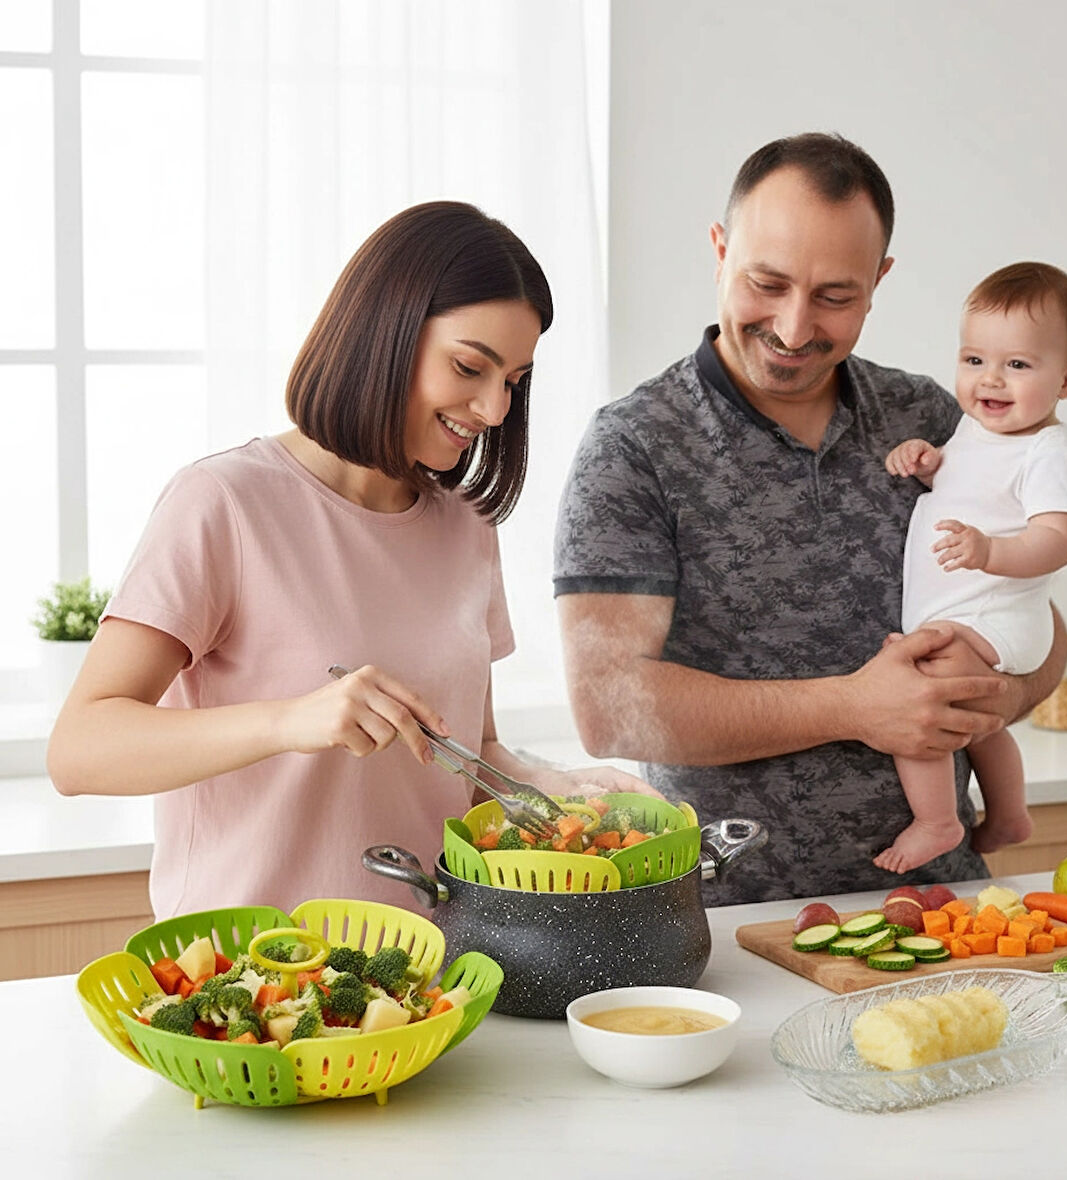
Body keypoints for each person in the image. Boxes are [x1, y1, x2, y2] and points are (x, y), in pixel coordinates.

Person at [48, 201, 650, 919]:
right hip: (256, 980)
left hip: (428, 971)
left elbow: (470, 753)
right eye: (469, 366)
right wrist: (290, 721)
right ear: (386, 332)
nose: (493, 409)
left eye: (514, 381)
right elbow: (79, 749)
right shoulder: (224, 504)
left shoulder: (464, 526)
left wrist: (558, 787)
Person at [553, 134, 1067, 905]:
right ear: (721, 250)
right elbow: (608, 707)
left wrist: (1009, 694)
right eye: (767, 283)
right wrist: (854, 707)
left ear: (879, 281)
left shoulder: (932, 415)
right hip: (724, 922)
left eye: (835, 296)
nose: (794, 329)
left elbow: (1037, 623)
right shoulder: (636, 446)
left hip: (943, 908)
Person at [874, 262, 1067, 874]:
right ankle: (1009, 813)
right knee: (980, 724)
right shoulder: (976, 429)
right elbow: (964, 478)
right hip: (965, 611)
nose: (990, 379)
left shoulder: (1050, 453)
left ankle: (939, 819)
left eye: (1018, 365)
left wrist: (989, 551)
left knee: (920, 696)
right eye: (974, 360)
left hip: (998, 616)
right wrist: (925, 461)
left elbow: (1057, 539)